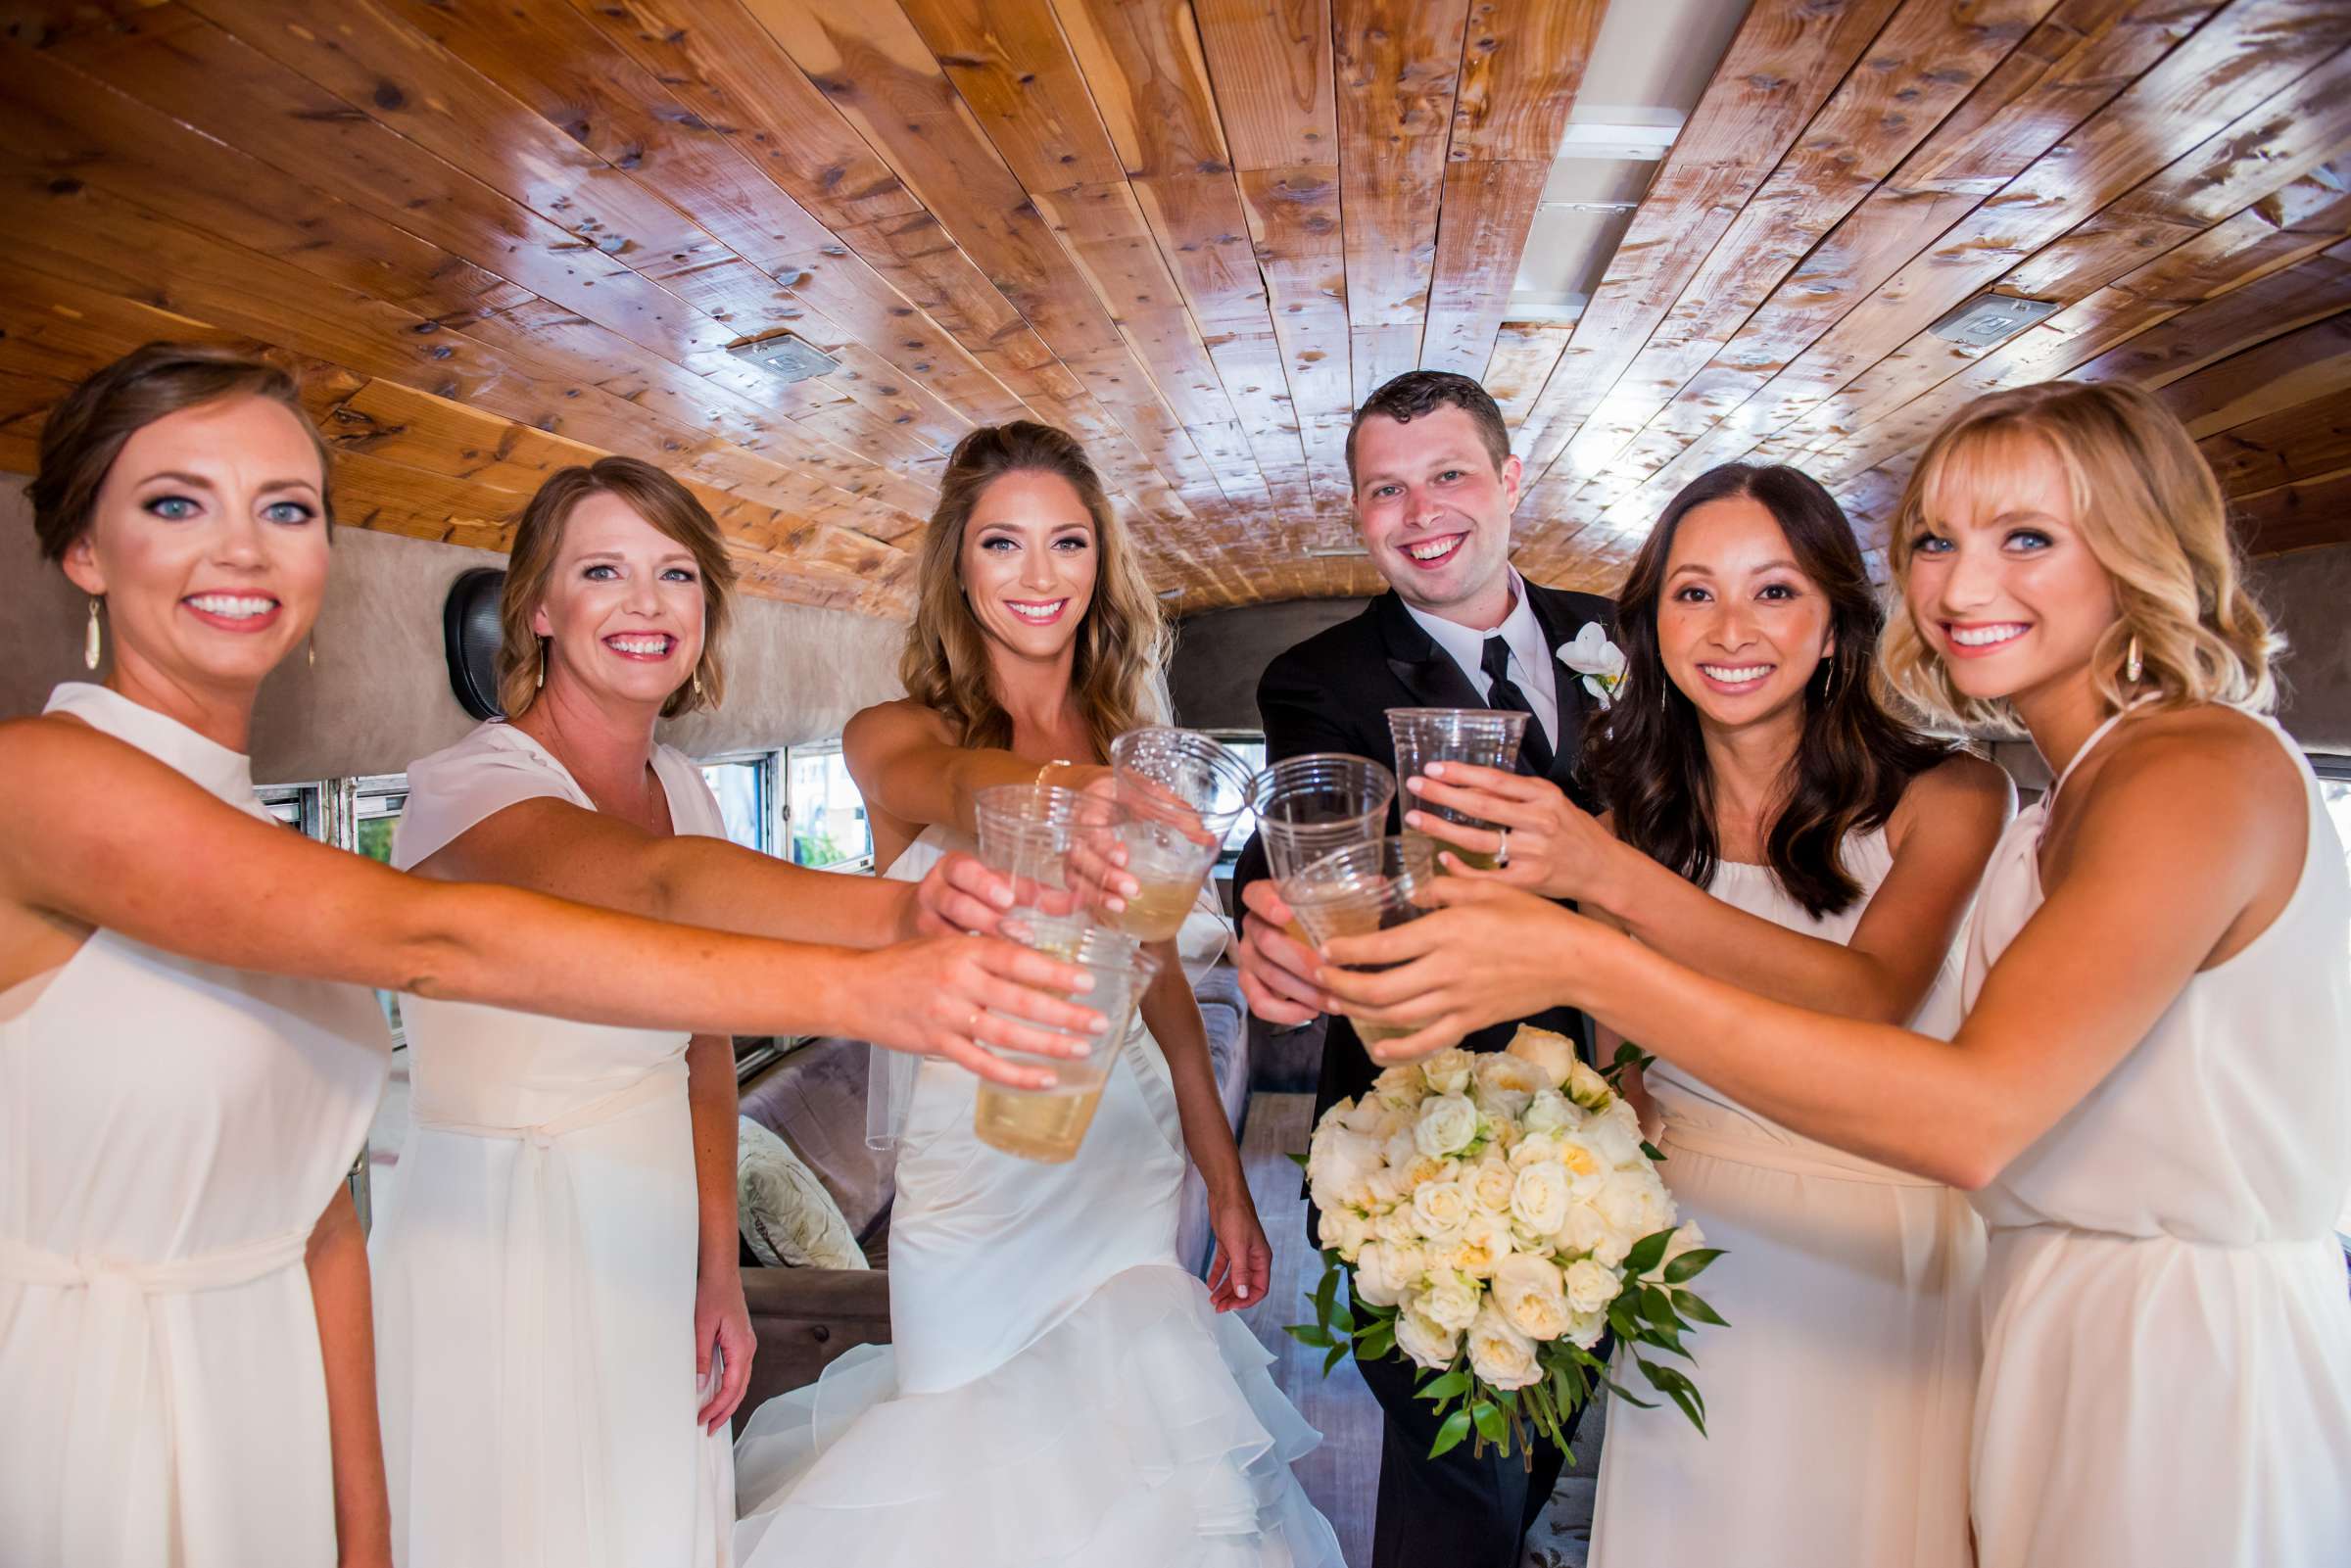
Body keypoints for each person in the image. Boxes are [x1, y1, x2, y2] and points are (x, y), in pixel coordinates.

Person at [0, 345, 1101, 1568]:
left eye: (288, 508)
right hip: (126, 1395)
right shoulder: (44, 783)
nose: (243, 547)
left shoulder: (251, 823)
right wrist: (885, 958)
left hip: (287, 1389)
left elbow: (315, 1210)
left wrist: (364, 1529)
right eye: (174, 501)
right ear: (84, 549)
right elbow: (467, 934)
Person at [1318, 380, 2351, 1567]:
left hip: (2188, 1354)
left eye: (2028, 538)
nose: (1964, 585)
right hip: (2034, 1308)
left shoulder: (2186, 769)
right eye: (1935, 540)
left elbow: (1966, 1107)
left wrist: (1585, 946)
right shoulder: (2079, 794)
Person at [376, 457, 1074, 1563]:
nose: (647, 604)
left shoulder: (687, 788)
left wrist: (717, 1266)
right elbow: (661, 889)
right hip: (506, 1236)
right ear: (542, 609)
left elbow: (702, 1047)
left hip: (648, 1232)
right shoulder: (469, 785)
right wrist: (899, 918)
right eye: (603, 570)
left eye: (677, 573)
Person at [731, 420, 1343, 1567]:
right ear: (958, 567)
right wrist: (1086, 792)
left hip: (1120, 1162)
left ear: (1100, 562)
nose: (1038, 575)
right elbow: (961, 782)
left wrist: (1225, 1174)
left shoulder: (1138, 744)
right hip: (976, 1167)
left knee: (1135, 1460)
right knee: (965, 1469)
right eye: (1003, 544)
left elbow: (1157, 971)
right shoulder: (895, 738)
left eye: (1067, 543)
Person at [1398, 461, 2006, 1567]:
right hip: (1688, 1248)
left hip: (1873, 1258)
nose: (1732, 627)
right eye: (1694, 592)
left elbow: (1870, 997)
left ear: (1835, 625)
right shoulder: (1632, 807)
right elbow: (1626, 1038)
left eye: (1774, 591)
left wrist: (1607, 880)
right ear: (1652, 625)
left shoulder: (1951, 796)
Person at [1227, 370, 1613, 1568]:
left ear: (1509, 480)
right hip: (1424, 1130)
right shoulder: (1320, 678)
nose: (1419, 509)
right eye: (1384, 489)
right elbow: (1306, 832)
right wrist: (1259, 903)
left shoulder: (1628, 635)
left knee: (1548, 1439)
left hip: (1626, 1116)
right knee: (1457, 1478)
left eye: (1447, 474)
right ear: (1359, 512)